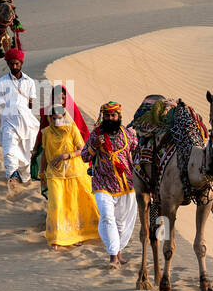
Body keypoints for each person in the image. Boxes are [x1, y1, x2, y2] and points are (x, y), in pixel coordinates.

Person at [82, 101, 138, 269]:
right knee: (107, 217)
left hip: (126, 185)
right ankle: (113, 256)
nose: (110, 118)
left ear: (119, 116)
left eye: (113, 115)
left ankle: (118, 252)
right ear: (103, 117)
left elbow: (138, 154)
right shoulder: (96, 135)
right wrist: (94, 146)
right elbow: (85, 156)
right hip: (102, 183)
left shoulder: (128, 134)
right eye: (107, 115)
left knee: (121, 222)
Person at [39, 103, 99, 251]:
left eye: (59, 118)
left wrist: (66, 155)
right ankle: (56, 238)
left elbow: (82, 150)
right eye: (53, 119)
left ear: (64, 117)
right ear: (49, 118)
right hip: (54, 174)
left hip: (74, 172)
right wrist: (42, 172)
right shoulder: (46, 132)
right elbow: (44, 155)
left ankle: (76, 235)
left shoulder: (72, 129)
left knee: (73, 205)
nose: (56, 122)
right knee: (56, 205)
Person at [0, 48, 39, 195]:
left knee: (27, 156)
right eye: (12, 64)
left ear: (21, 63)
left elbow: (31, 103)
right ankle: (12, 178)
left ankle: (23, 177)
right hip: (9, 123)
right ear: (7, 63)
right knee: (9, 152)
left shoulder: (30, 82)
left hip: (27, 124)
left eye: (17, 64)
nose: (14, 67)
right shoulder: (1, 82)